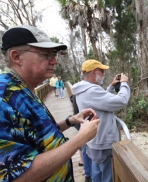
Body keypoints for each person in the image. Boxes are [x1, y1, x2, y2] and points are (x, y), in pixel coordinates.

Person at [0, 25, 100, 182]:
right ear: (16, 56)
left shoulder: (23, 88)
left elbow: (34, 134)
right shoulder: (4, 97)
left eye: (54, 54)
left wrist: (70, 120)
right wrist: (80, 138)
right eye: (46, 54)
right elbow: (17, 176)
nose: (54, 61)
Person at [72, 59, 131, 182]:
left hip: (94, 141)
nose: (103, 74)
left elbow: (100, 101)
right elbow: (121, 101)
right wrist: (124, 84)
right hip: (102, 143)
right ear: (94, 72)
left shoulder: (83, 89)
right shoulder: (92, 91)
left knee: (97, 173)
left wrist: (111, 86)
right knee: (107, 177)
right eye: (102, 71)